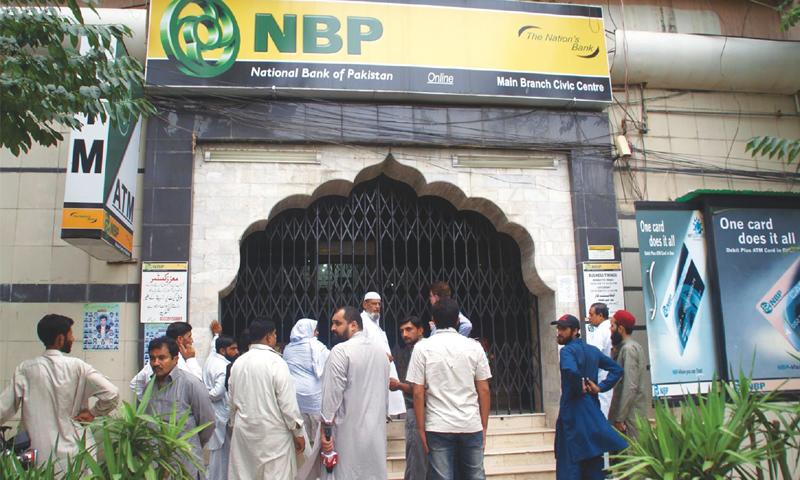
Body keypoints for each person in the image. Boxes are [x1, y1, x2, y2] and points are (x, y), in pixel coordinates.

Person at [0, 314, 120, 471]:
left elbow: (3, 409)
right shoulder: (78, 367)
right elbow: (112, 393)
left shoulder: (26, 369)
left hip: (39, 457)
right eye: (70, 333)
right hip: (76, 456)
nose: (73, 338)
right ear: (60, 339)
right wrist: (93, 413)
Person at [297, 306, 390, 480]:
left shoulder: (341, 351)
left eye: (337, 323)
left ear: (353, 325)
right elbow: (384, 396)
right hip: (375, 434)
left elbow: (332, 396)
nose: (333, 328)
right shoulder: (381, 353)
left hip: (346, 435)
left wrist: (326, 431)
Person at [406, 298, 491, 480]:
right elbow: (484, 390)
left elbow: (418, 393)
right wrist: (483, 426)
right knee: (475, 475)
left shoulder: (422, 348)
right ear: (458, 321)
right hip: (470, 424)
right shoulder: (474, 347)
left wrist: (421, 429)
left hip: (438, 426)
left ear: (433, 321)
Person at [552, 314, 627, 480]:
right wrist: (600, 388)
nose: (559, 332)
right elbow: (617, 370)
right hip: (592, 417)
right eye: (558, 329)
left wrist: (581, 386)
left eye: (563, 329)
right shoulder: (591, 351)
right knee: (594, 465)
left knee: (570, 467)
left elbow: (571, 371)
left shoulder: (567, 351)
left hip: (573, 417)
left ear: (575, 331)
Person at [228, 320, 305, 479]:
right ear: (269, 336)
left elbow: (232, 401)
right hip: (273, 437)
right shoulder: (276, 362)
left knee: (246, 474)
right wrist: (297, 432)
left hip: (245, 432)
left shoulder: (238, 363)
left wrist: (233, 426)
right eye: (275, 334)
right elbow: (288, 404)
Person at [146, 336, 216, 480]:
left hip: (184, 465)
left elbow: (208, 423)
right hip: (155, 466)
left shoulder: (191, 384)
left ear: (175, 359)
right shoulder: (149, 387)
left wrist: (192, 443)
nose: (156, 363)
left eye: (161, 358)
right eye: (152, 358)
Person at [389, 316, 428, 480]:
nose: (405, 334)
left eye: (409, 329)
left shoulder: (420, 350)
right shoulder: (425, 348)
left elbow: (416, 389)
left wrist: (398, 385)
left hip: (418, 412)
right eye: (402, 331)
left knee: (416, 463)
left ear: (420, 330)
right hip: (428, 411)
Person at [283, 318, 331, 447]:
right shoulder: (316, 346)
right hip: (314, 394)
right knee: (316, 432)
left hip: (294, 395)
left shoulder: (288, 348)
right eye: (314, 330)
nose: (316, 333)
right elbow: (331, 361)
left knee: (300, 430)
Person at [202, 320, 238, 480]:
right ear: (223, 350)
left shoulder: (212, 357)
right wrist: (204, 392)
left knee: (221, 450)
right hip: (220, 413)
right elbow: (217, 392)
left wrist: (216, 334)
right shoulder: (223, 367)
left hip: (214, 412)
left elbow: (212, 347)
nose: (237, 351)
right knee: (219, 452)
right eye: (233, 349)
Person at [360, 291, 406, 416]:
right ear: (365, 305)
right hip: (373, 369)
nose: (377, 307)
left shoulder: (374, 323)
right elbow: (362, 345)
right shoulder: (362, 322)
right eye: (373, 304)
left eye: (379, 304)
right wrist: (382, 354)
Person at [130, 321, 202, 399]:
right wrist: (191, 359)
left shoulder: (156, 362)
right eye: (189, 336)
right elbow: (198, 385)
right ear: (180, 339)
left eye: (161, 358)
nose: (191, 340)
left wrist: (147, 402)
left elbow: (135, 384)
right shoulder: (176, 361)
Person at [607, 310, 648, 441]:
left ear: (621, 329)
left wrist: (619, 418)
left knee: (628, 458)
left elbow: (630, 386)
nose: (610, 329)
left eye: (612, 326)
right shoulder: (631, 347)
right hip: (630, 416)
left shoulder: (628, 349)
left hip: (628, 419)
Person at [585, 302, 613, 418]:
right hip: (609, 377)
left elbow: (592, 358)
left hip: (601, 378)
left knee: (601, 413)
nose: (589, 318)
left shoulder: (600, 332)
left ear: (600, 316)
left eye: (591, 315)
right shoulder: (610, 329)